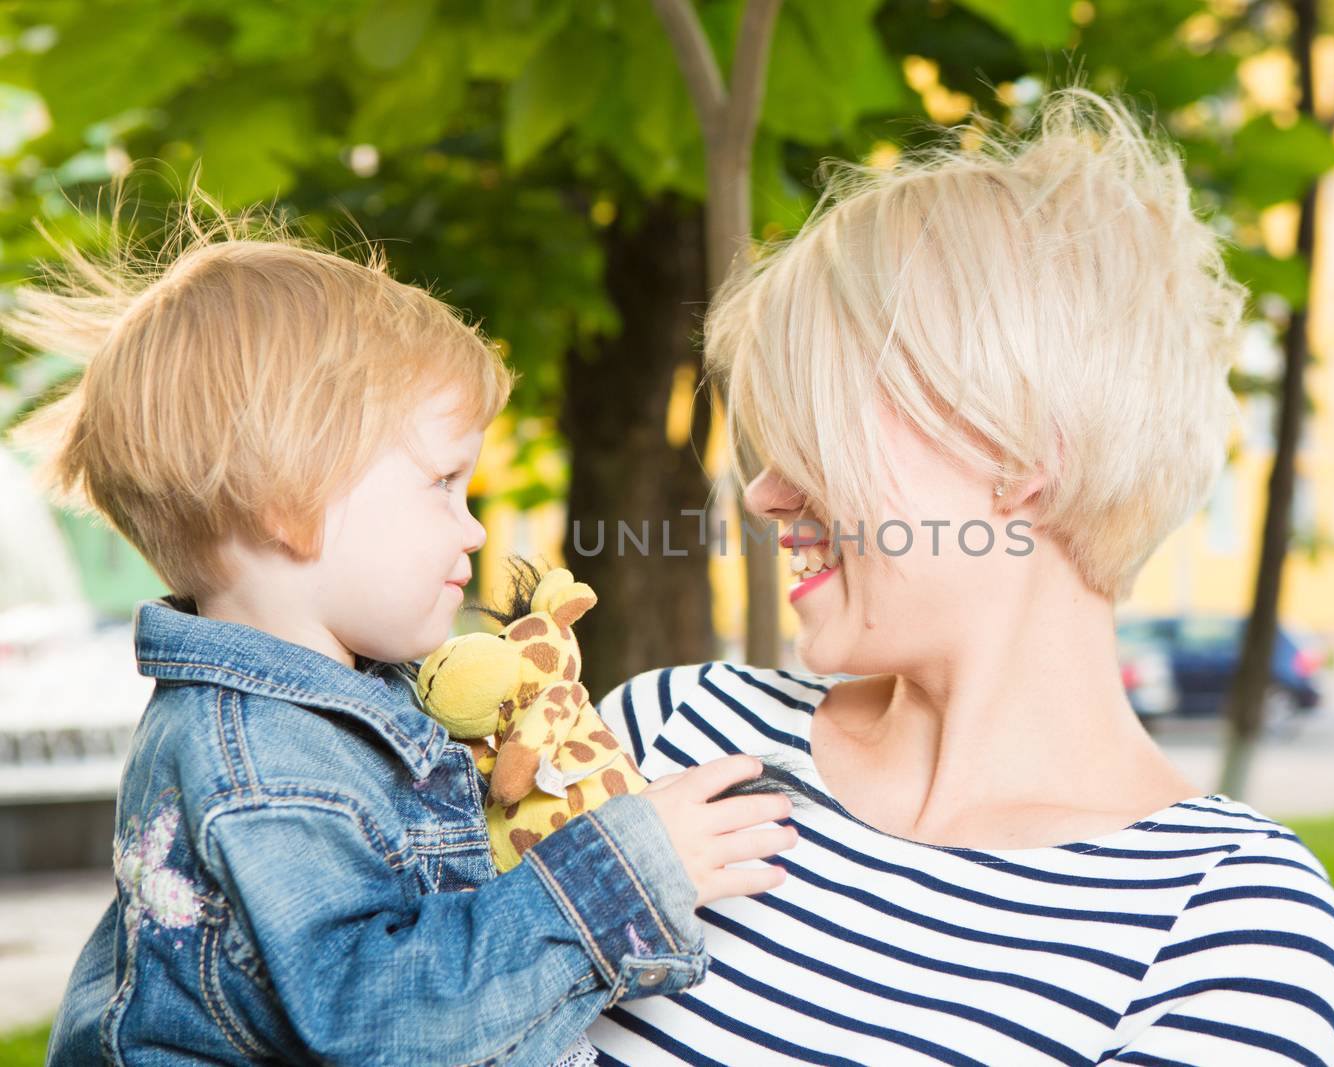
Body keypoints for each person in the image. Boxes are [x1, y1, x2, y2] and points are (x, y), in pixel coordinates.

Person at [584, 89, 1334, 1066]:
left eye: (816, 432)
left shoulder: (1221, 911)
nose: (765, 493)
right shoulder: (671, 732)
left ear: (1017, 450)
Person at [7, 206, 796, 1066]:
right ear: (291, 500)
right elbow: (378, 1021)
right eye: (444, 483)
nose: (473, 530)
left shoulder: (325, 713)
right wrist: (621, 877)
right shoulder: (261, 761)